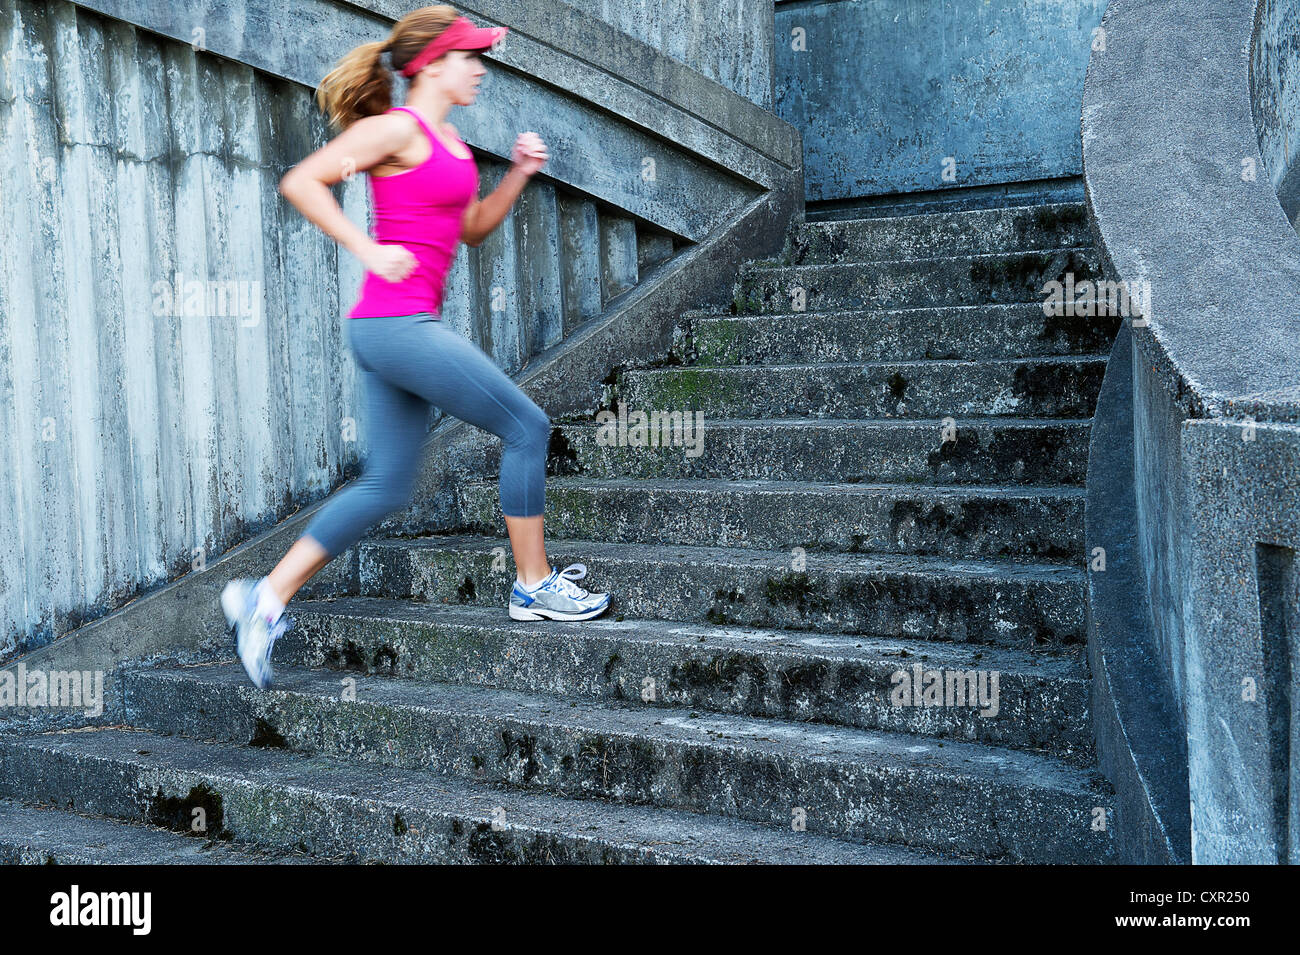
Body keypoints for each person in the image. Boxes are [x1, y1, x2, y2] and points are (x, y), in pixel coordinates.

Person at [221, 6, 610, 689]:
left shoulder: (451, 144)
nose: (481, 70)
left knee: (386, 485)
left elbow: (473, 228)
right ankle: (533, 584)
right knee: (526, 425)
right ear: (432, 64)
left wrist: (517, 173)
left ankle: (266, 597)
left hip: (394, 328)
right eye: (471, 57)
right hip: (396, 325)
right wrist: (368, 246)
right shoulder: (394, 129)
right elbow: (303, 181)